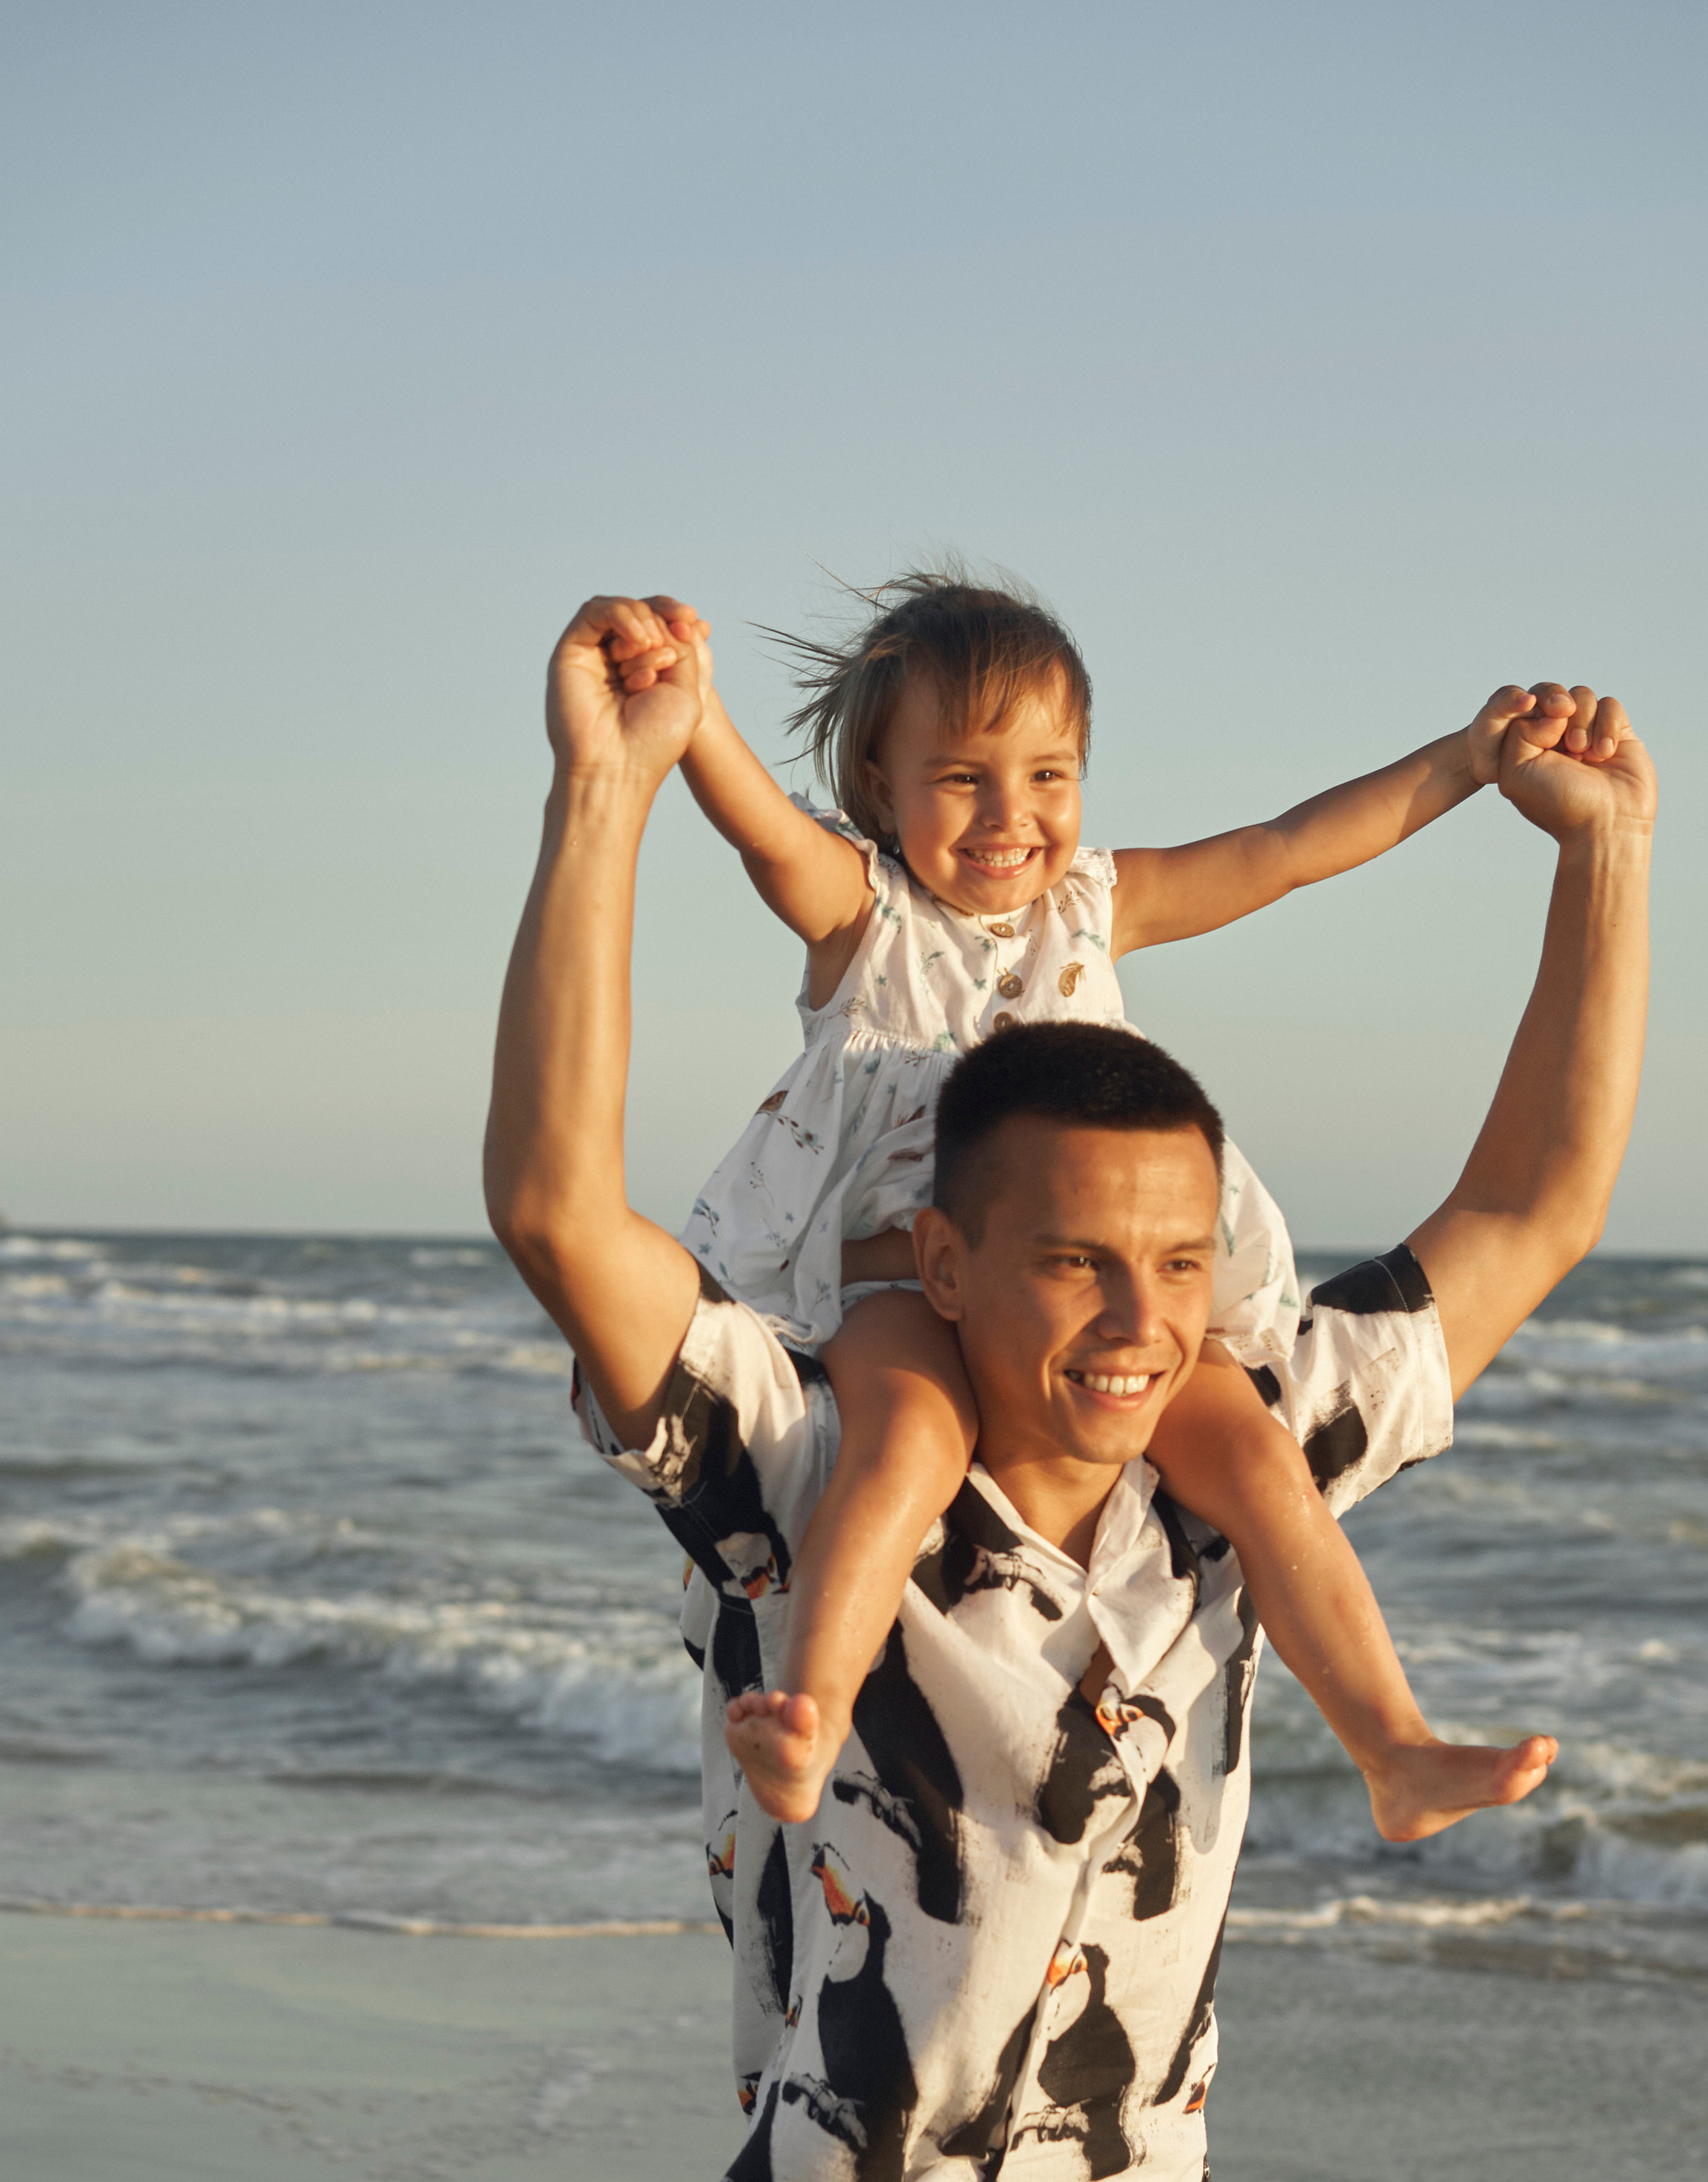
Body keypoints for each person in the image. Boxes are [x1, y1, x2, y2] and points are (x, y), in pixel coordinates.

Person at [484, 595, 1654, 2182]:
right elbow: (556, 1205)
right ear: (938, 1254)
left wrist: (1594, 853)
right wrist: (610, 796)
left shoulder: (1247, 1459)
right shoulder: (802, 1465)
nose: (1141, 1324)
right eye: (1079, 1264)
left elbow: (1533, 1209)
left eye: (1184, 1263)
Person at [625, 573, 1564, 1843]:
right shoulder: (865, 916)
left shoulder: (1094, 907)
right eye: (962, 777)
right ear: (880, 790)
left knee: (1258, 1465)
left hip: (1091, 1287)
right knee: (906, 1442)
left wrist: (1464, 763)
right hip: (899, 1276)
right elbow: (759, 830)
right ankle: (808, 1710)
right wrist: (690, 720)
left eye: (1049, 775)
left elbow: (1285, 852)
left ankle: (1390, 1744)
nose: (1011, 816)